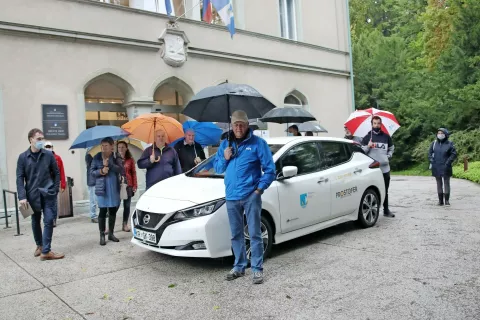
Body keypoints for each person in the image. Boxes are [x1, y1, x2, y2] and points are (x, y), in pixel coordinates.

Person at [214, 110, 276, 285]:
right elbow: (218, 168)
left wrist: (259, 190)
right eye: (235, 124)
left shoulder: (258, 144)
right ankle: (239, 266)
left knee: (254, 233)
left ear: (247, 125)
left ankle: (257, 269)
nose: (239, 127)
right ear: (232, 126)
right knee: (235, 234)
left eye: (242, 124)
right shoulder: (225, 144)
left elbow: (270, 170)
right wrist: (225, 157)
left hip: (251, 196)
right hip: (232, 196)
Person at [16, 128, 64, 260]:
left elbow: (56, 173)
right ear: (31, 140)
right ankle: (40, 245)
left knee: (49, 220)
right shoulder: (23, 157)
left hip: (48, 194)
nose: (41, 141)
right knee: (35, 220)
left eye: (42, 139)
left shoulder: (48, 155)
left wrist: (54, 190)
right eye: (38, 139)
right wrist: (22, 196)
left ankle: (46, 251)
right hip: (32, 195)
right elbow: (20, 178)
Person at [90, 137, 124, 245]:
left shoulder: (116, 156)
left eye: (106, 146)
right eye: (102, 146)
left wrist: (110, 165)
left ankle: (111, 233)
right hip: (102, 187)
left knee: (113, 210)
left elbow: (120, 169)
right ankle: (102, 234)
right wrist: (101, 170)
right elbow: (92, 172)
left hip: (113, 187)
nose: (103, 148)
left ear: (111, 146)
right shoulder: (96, 157)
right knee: (103, 211)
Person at [361, 116, 395, 217]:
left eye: (378, 123)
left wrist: (388, 156)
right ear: (372, 124)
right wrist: (368, 146)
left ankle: (386, 210)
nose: (376, 125)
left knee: (385, 189)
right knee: (370, 190)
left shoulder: (386, 136)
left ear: (381, 124)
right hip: (372, 169)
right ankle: (370, 211)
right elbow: (362, 152)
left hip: (385, 168)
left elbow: (391, 148)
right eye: (374, 123)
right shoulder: (367, 137)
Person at [428, 128, 457, 206]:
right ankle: (440, 201)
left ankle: (447, 200)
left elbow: (453, 154)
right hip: (436, 166)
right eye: (438, 133)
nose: (440, 134)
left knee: (446, 182)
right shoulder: (434, 143)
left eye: (441, 133)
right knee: (439, 183)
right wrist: (431, 160)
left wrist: (448, 162)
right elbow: (429, 153)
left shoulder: (449, 143)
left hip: (446, 166)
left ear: (445, 134)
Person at [117, 141, 137, 231]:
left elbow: (133, 173)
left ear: (126, 148)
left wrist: (134, 185)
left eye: (122, 147)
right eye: (119, 147)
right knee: (115, 206)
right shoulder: (114, 159)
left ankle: (125, 224)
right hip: (118, 185)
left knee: (127, 206)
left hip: (128, 185)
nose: (120, 149)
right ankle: (110, 225)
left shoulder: (130, 160)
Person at [44, 141, 65, 228]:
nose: (48, 148)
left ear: (52, 147)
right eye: (47, 146)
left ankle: (53, 219)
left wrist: (63, 184)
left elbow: (61, 172)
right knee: (45, 202)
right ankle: (47, 219)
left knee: (54, 202)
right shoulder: (42, 158)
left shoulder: (57, 158)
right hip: (44, 183)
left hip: (54, 182)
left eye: (49, 146)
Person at [85, 148, 98, 223]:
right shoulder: (89, 153)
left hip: (97, 179)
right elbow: (91, 164)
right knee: (93, 199)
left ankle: (98, 214)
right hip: (92, 180)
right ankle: (93, 216)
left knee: (98, 199)